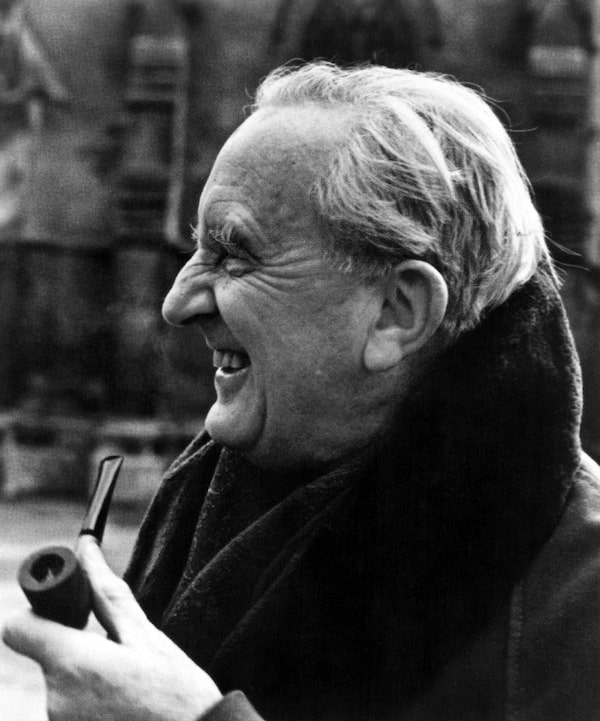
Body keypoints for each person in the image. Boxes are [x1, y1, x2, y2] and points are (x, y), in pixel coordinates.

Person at [4, 61, 600, 721]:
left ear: (396, 311)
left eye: (234, 256)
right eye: (197, 250)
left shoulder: (582, 595)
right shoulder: (220, 486)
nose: (176, 303)